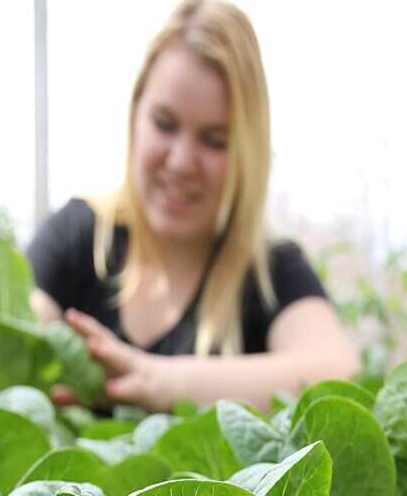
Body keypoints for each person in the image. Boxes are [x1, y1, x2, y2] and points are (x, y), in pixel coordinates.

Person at [27, 0, 359, 412]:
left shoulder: (269, 271)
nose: (182, 162)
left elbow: (339, 373)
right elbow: (16, 327)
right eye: (165, 125)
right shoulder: (79, 236)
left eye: (214, 141)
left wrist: (156, 379)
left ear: (245, 152)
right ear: (135, 118)